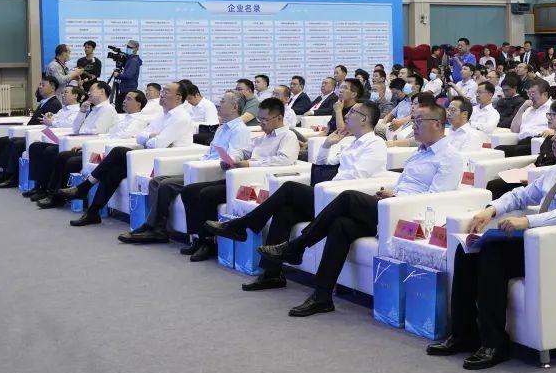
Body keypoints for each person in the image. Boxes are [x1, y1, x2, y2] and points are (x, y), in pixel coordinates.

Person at [427, 111, 556, 369]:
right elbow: (522, 195)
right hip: (536, 242)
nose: (554, 138)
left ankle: (495, 343)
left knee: (492, 253)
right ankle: (463, 334)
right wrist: (491, 210)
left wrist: (528, 221)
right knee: (468, 249)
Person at [256, 102, 463, 317]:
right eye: (414, 121)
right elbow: (406, 185)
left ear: (437, 124)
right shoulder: (419, 153)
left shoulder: (449, 157)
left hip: (408, 216)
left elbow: (435, 200)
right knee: (341, 225)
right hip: (391, 207)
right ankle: (322, 296)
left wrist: (397, 199)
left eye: (419, 121)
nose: (414, 126)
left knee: (348, 197)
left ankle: (297, 246)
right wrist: (391, 193)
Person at [205, 100, 388, 290]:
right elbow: (323, 163)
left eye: (352, 113)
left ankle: (243, 225)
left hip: (342, 199)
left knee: (290, 187)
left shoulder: (375, 144)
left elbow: (356, 177)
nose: (346, 115)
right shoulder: (352, 143)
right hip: (329, 195)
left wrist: (326, 187)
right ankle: (271, 274)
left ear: (364, 119)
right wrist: (327, 144)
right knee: (285, 211)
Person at [116, 91, 253, 244]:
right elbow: (210, 153)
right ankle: (156, 228)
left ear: (234, 107)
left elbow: (234, 157)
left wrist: (204, 164)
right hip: (201, 166)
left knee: (166, 185)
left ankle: (154, 229)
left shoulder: (239, 130)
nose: (218, 104)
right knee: (156, 181)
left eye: (222, 101)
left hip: (211, 172)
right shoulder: (223, 128)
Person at [178, 98, 300, 261]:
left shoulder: (288, 136)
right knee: (189, 190)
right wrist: (231, 159)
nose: (261, 124)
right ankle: (198, 239)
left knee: (207, 194)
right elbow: (244, 151)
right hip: (241, 178)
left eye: (265, 119)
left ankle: (208, 243)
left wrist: (249, 164)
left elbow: (284, 160)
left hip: (259, 182)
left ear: (279, 118)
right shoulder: (262, 137)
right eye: (259, 119)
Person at [59, 82, 194, 227]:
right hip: (148, 155)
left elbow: (157, 144)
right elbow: (140, 137)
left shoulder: (180, 117)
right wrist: (152, 136)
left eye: (166, 92)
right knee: (114, 171)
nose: (161, 95)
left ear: (178, 97)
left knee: (118, 151)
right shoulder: (163, 115)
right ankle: (93, 212)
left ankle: (84, 187)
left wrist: (152, 138)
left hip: (165, 160)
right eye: (162, 91)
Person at [25, 89, 150, 205]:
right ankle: (50, 192)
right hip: (94, 144)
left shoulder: (136, 119)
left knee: (69, 160)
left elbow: (117, 137)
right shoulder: (103, 112)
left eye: (128, 99)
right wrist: (82, 113)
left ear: (138, 104)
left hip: (107, 150)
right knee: (61, 155)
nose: (124, 101)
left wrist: (89, 145)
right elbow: (83, 130)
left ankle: (57, 197)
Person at [27, 81, 116, 203]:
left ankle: (55, 195)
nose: (89, 92)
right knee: (38, 147)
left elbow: (96, 133)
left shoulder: (107, 110)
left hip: (92, 147)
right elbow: (76, 129)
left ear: (102, 91)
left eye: (91, 90)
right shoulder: (93, 109)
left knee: (60, 156)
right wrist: (82, 112)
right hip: (80, 141)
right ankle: (44, 188)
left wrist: (81, 144)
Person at [485, 100, 556, 199]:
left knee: (496, 185)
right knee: (495, 181)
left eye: (553, 115)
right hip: (534, 174)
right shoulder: (549, 138)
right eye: (549, 114)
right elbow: (539, 161)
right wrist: (519, 172)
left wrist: (531, 176)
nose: (549, 118)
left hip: (545, 181)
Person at [500, 79, 552, 157]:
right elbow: (514, 130)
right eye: (529, 93)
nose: (530, 97)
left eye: (533, 93)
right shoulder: (528, 109)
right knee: (499, 149)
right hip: (521, 143)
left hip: (538, 143)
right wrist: (521, 109)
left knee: (515, 151)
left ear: (545, 94)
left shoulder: (553, 109)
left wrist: (553, 131)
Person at [112, 40, 142, 111]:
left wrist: (118, 75)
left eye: (131, 47)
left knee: (122, 109)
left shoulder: (133, 61)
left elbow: (128, 75)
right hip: (125, 89)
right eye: (127, 47)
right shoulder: (130, 59)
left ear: (136, 48)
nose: (128, 48)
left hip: (128, 90)